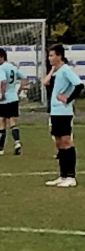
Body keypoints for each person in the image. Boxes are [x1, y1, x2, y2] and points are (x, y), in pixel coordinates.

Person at [42, 43, 84, 188]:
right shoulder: (57, 71)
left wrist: (68, 99)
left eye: (52, 55)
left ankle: (71, 176)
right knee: (59, 142)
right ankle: (63, 175)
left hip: (64, 112)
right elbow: (45, 83)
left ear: (59, 56)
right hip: (55, 112)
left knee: (66, 141)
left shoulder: (66, 70)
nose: (49, 58)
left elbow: (79, 85)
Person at [0, 48, 27, 155]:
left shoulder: (2, 68)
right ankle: (17, 143)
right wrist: (18, 92)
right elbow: (24, 79)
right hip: (13, 98)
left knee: (1, 122)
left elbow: (3, 81)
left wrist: (2, 94)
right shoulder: (12, 67)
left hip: (5, 100)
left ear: (2, 57)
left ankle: (0, 148)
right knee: (13, 122)